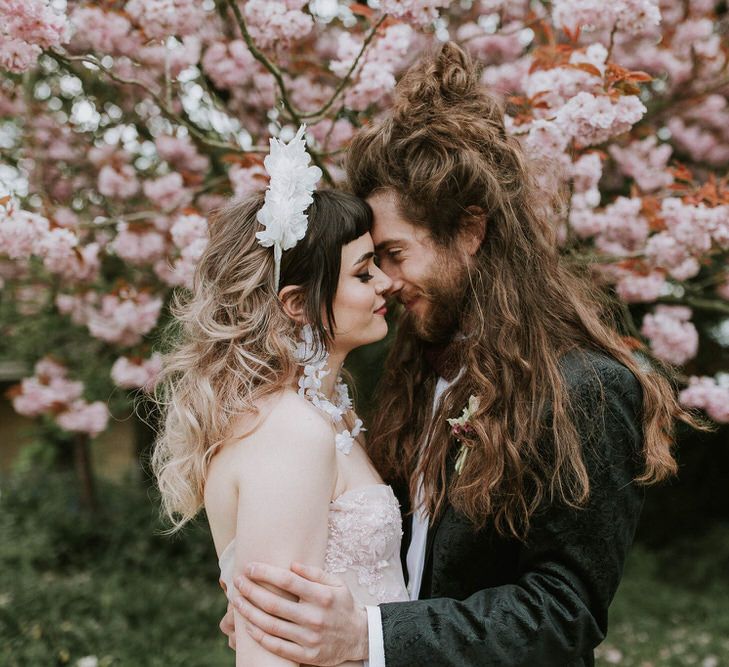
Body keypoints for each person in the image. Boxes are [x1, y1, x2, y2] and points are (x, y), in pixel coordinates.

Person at [226, 43, 698, 666]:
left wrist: (369, 637)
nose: (386, 282)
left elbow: (565, 610)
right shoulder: (416, 370)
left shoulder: (584, 387)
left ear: (470, 232)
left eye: (394, 254)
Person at [152, 127, 408, 667]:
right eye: (364, 273)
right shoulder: (289, 431)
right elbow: (269, 656)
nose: (386, 283)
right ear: (296, 303)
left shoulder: (325, 414)